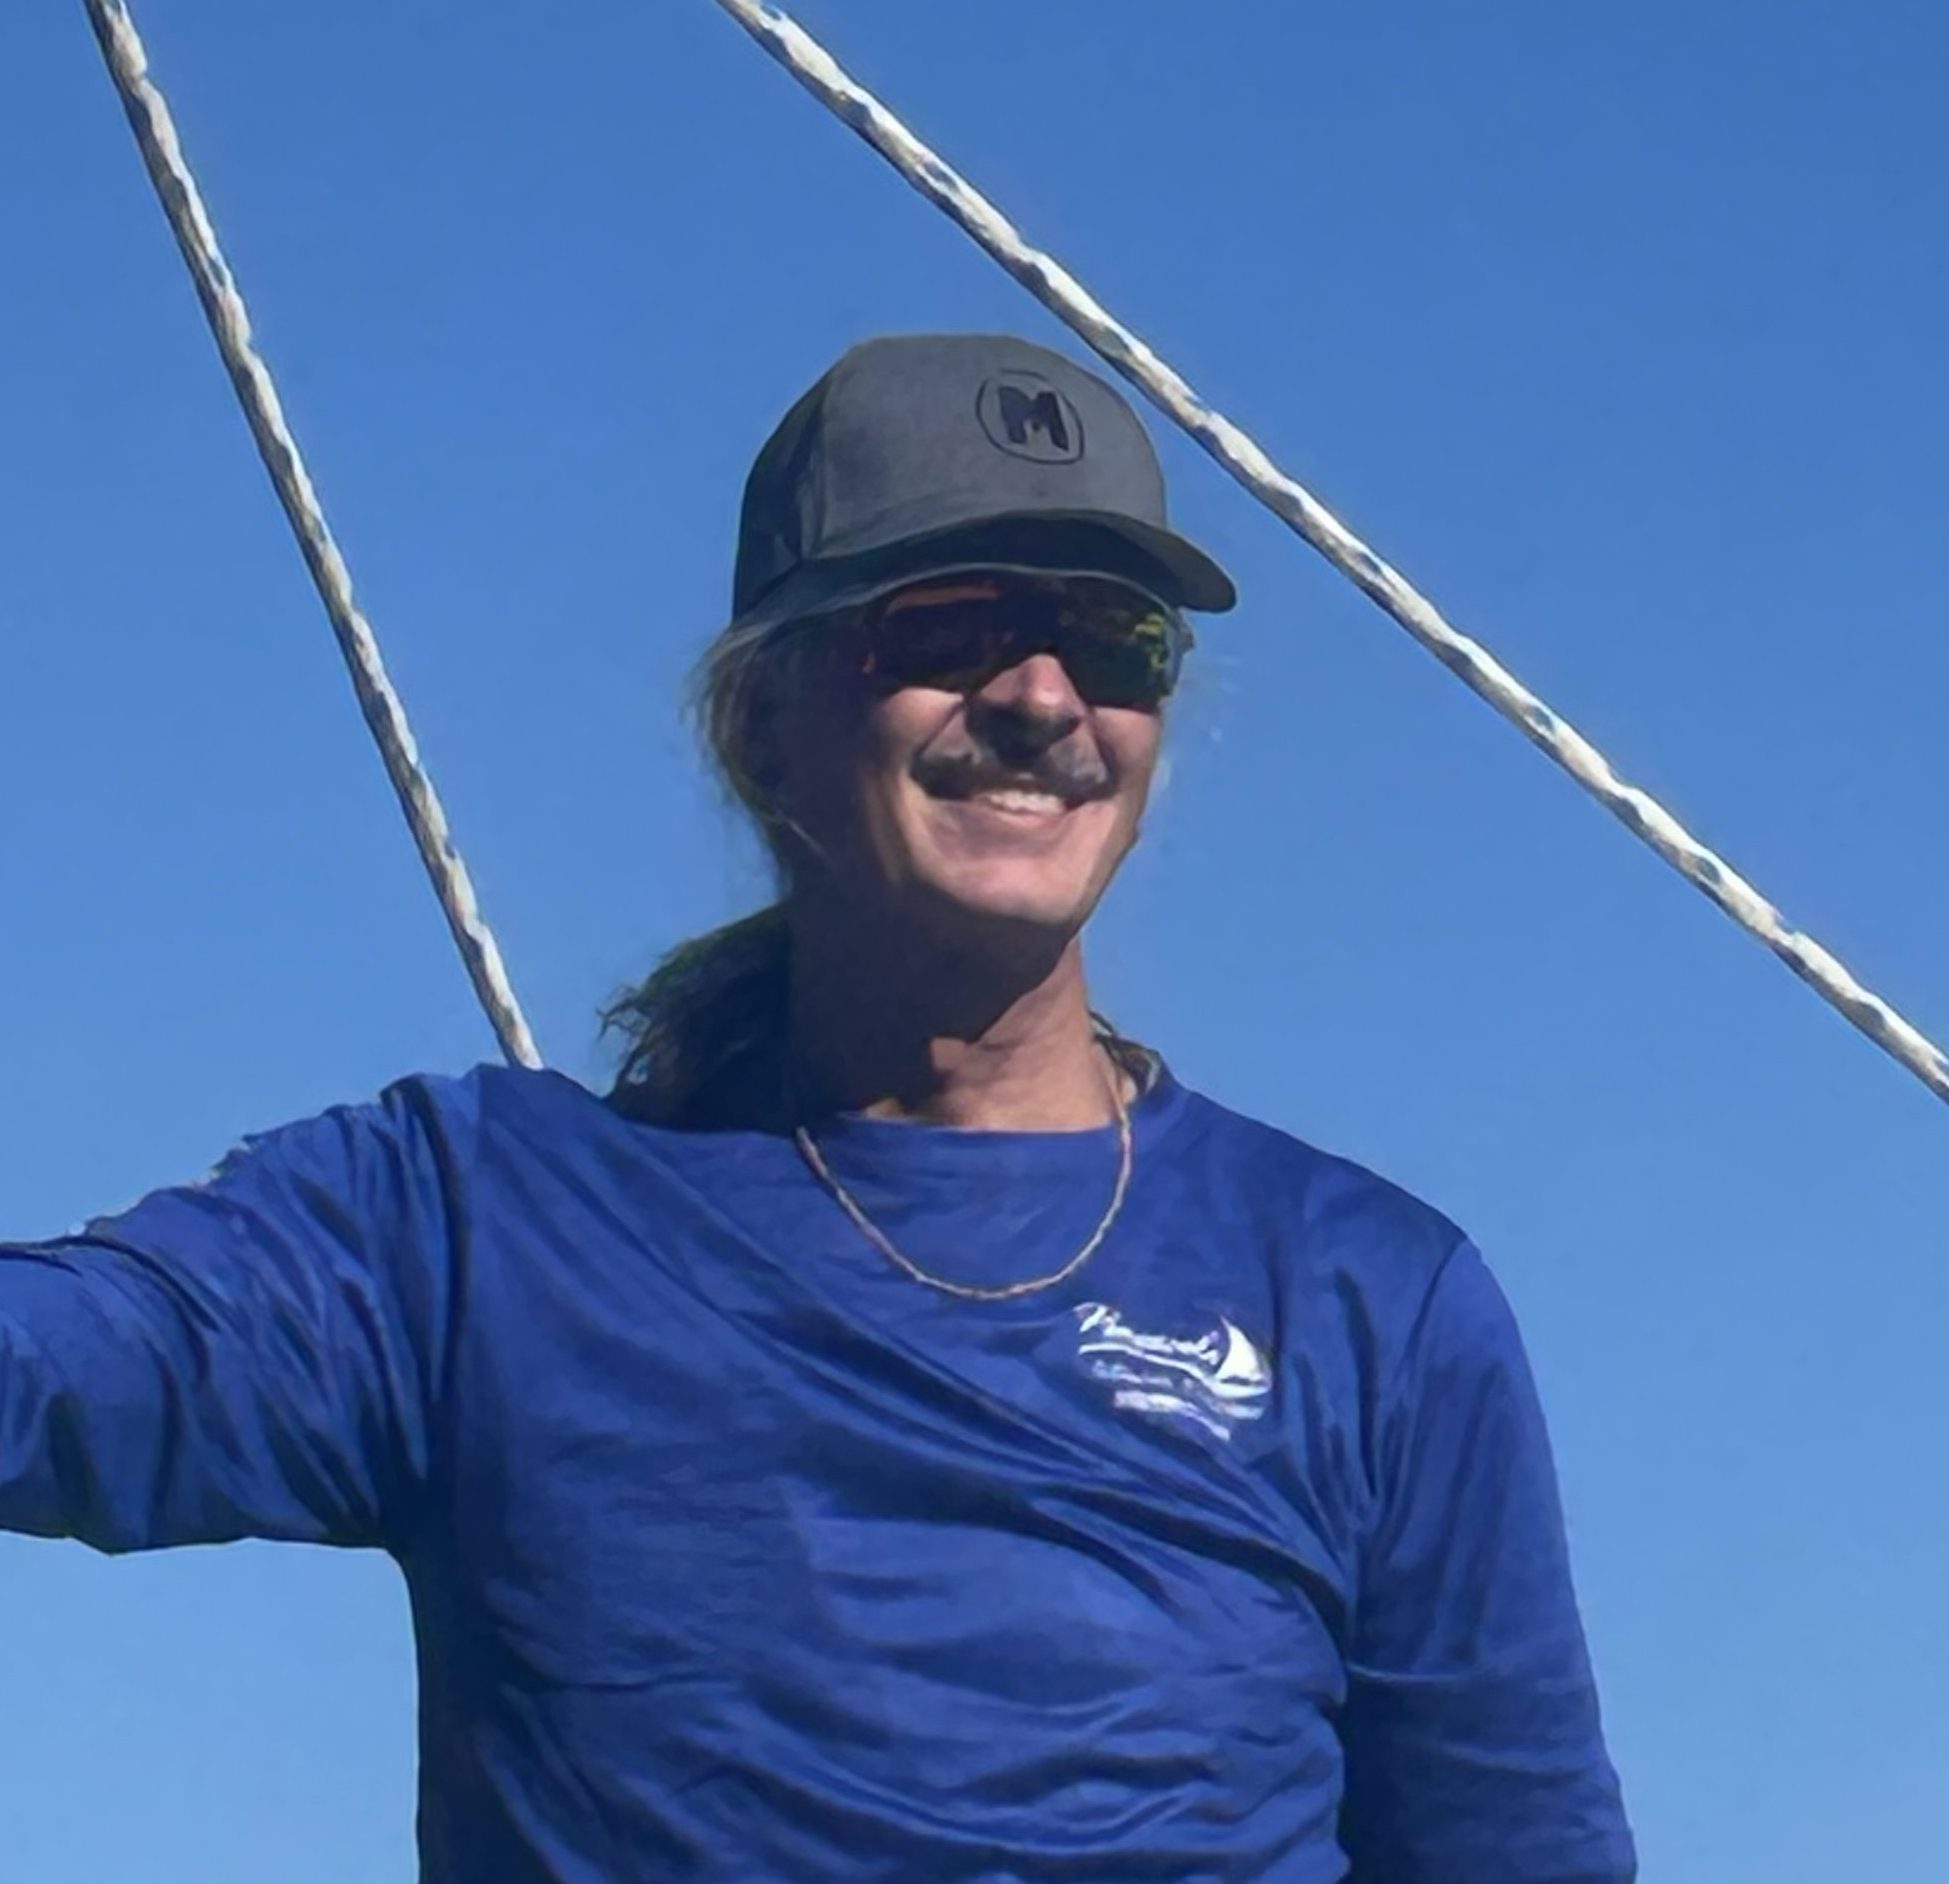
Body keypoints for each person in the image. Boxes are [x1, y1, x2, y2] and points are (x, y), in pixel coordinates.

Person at [0, 333, 1634, 1882]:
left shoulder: (1365, 1296)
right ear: (762, 719)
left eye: (1112, 638)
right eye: (945, 625)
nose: (1042, 696)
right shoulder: (473, 1230)